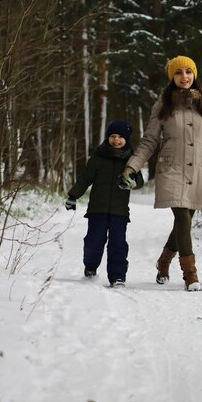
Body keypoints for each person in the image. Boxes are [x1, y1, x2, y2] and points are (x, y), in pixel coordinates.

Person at [119, 55, 202, 292]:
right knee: (182, 217)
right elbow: (150, 140)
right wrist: (132, 166)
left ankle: (164, 261)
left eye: (188, 72)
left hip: (198, 170)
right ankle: (190, 275)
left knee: (184, 223)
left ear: (195, 75)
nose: (184, 77)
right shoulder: (163, 104)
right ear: (172, 77)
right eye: (179, 72)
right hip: (171, 169)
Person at [65, 120, 143, 288]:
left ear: (127, 139)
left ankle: (117, 276)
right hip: (97, 209)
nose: (116, 140)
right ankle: (90, 266)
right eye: (113, 136)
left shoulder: (131, 159)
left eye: (121, 137)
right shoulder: (98, 157)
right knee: (94, 242)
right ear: (108, 137)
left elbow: (140, 180)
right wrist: (73, 195)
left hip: (120, 211)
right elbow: (86, 178)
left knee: (118, 245)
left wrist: (133, 182)